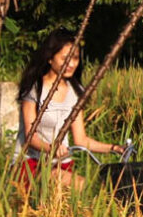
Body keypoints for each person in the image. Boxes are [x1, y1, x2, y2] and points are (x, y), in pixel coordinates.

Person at [15, 30, 121, 193]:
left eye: (75, 58)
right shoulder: (35, 89)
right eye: (65, 58)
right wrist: (51, 148)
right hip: (32, 163)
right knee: (83, 186)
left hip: (61, 164)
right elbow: (31, 136)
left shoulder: (76, 92)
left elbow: (81, 140)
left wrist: (114, 148)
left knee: (93, 191)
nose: (71, 64)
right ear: (50, 58)